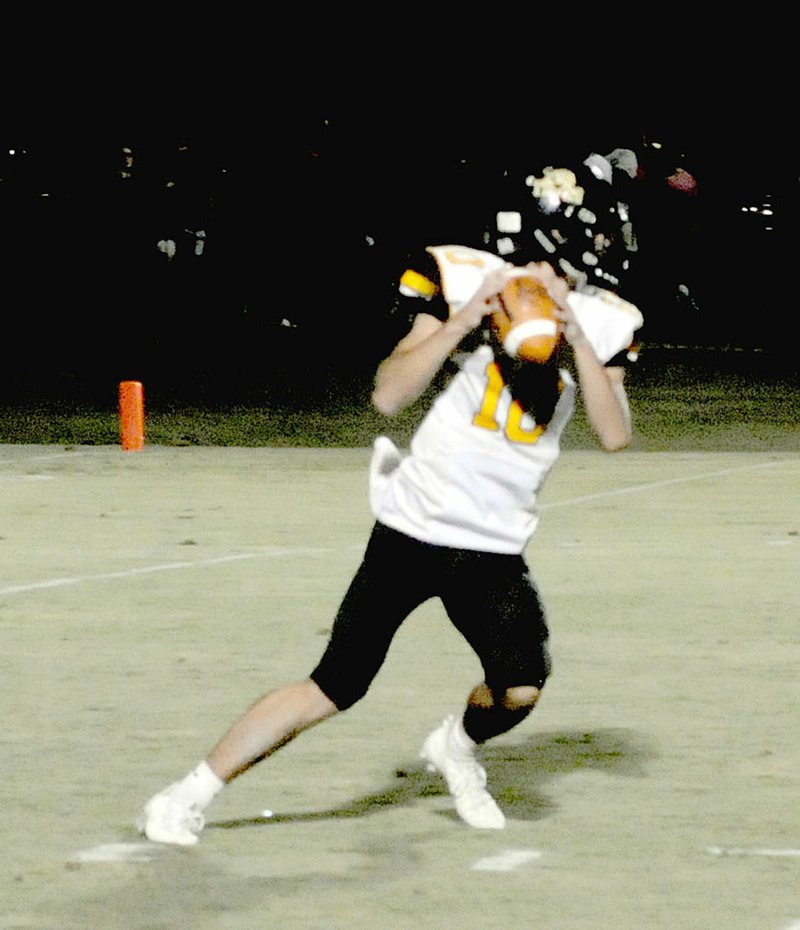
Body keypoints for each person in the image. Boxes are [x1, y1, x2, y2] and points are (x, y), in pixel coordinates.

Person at [137, 158, 644, 847]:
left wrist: (574, 335)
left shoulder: (608, 318)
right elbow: (389, 394)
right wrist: (469, 317)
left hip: (494, 539)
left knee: (521, 686)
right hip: (416, 521)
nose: (608, 252)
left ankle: (455, 748)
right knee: (336, 684)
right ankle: (185, 794)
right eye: (601, 237)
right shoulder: (465, 277)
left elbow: (613, 435)